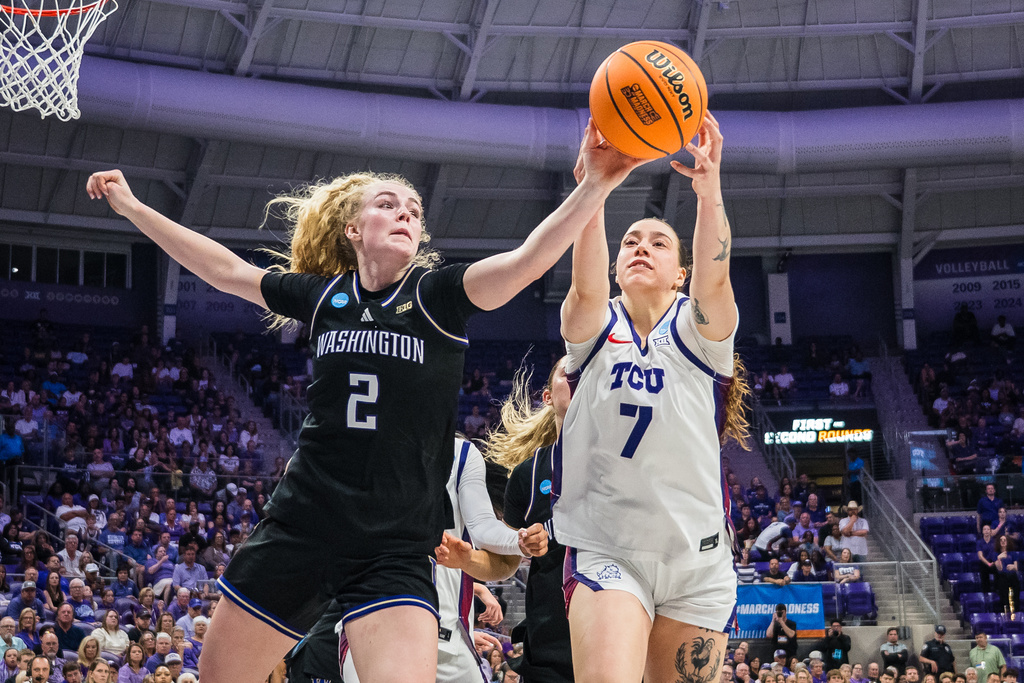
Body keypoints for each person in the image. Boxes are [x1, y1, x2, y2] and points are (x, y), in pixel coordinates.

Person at [88, 107, 643, 683]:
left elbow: (528, 261)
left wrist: (596, 184)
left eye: (413, 211)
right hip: (307, 521)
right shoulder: (325, 296)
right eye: (387, 205)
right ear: (353, 230)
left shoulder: (439, 295)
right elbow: (225, 268)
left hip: (396, 542)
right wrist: (132, 207)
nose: (404, 213)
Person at [548, 112, 749, 683]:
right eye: (631, 242)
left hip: (698, 558)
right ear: (615, 264)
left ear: (679, 273)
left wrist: (709, 194)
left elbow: (717, 277)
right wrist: (595, 183)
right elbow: (585, 284)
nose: (641, 247)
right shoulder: (591, 328)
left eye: (659, 243)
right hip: (608, 548)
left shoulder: (700, 332)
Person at [482, 360, 575, 682]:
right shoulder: (528, 473)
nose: (577, 376)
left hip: (621, 623)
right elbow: (507, 562)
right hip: (551, 639)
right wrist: (520, 544)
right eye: (569, 372)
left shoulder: (630, 462)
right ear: (548, 397)